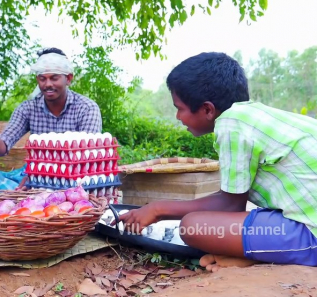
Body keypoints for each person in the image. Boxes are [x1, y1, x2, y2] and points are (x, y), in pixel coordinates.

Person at [119, 52, 317, 272]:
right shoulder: (253, 116)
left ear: (207, 109)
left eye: (179, 108)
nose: (178, 117)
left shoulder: (232, 124)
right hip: (304, 217)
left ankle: (265, 256)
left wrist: (157, 209)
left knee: (193, 227)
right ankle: (254, 253)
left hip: (311, 231)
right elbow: (231, 198)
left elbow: (231, 205)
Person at [0, 48, 103, 193]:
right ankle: (17, 198)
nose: (47, 84)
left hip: (73, 174)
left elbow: (88, 157)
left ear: (68, 79)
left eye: (54, 78)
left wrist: (42, 176)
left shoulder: (87, 108)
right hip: (32, 172)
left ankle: (20, 198)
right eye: (42, 78)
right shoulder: (28, 108)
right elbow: (4, 144)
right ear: (37, 79)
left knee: (52, 192)